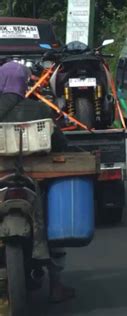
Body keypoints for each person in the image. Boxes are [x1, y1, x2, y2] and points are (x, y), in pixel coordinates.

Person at [0, 61, 74, 303]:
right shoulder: (39, 109)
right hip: (34, 178)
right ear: (24, 83)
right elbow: (60, 143)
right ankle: (56, 285)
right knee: (53, 217)